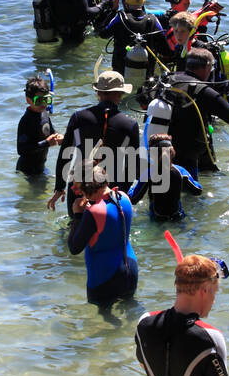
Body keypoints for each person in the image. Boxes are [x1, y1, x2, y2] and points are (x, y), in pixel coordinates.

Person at [48, 71, 140, 210]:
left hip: (78, 187)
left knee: (74, 228)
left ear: (98, 93)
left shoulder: (78, 118)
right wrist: (122, 192)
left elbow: (65, 155)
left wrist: (59, 187)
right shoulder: (130, 125)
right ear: (120, 94)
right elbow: (132, 167)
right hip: (109, 190)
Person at [167, 47, 229, 177]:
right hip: (189, 159)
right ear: (207, 68)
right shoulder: (203, 91)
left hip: (161, 150)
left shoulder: (168, 80)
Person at [67, 166, 138, 307]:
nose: (78, 193)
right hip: (130, 270)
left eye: (78, 189)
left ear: (87, 188)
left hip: (104, 275)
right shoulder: (124, 197)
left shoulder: (93, 213)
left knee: (99, 325)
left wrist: (78, 215)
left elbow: (74, 247)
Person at [101, 0, 168, 81]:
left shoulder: (120, 18)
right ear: (143, 0)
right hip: (146, 77)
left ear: (124, 1)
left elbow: (103, 33)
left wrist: (113, 10)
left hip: (121, 76)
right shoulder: (152, 20)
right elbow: (165, 49)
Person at [128, 133, 202, 221]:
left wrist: (130, 188)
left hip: (156, 220)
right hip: (177, 219)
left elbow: (133, 199)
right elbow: (197, 191)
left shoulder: (148, 174)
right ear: (171, 151)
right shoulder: (181, 172)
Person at [16, 75, 62, 177]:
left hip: (40, 167)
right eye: (39, 100)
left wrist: (58, 137)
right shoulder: (26, 121)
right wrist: (46, 143)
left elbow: (51, 132)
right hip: (27, 171)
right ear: (28, 100)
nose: (43, 103)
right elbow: (21, 150)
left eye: (46, 99)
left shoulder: (45, 114)